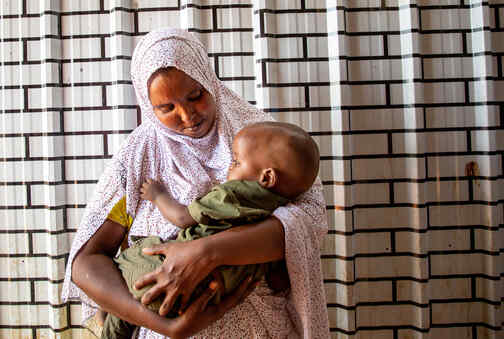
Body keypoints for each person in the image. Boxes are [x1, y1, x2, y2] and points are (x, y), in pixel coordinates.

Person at [62, 28, 329, 339]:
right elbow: (86, 263)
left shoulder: (260, 136)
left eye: (196, 96)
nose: (187, 114)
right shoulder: (138, 160)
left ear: (208, 78)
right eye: (167, 108)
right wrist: (163, 324)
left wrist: (207, 252)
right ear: (148, 107)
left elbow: (307, 220)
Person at [101, 120, 321, 339]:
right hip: (208, 297)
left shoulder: (232, 195)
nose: (228, 167)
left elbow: (183, 217)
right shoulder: (280, 215)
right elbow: (279, 280)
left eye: (236, 162)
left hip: (165, 278)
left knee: (131, 259)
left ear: (266, 177)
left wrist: (158, 196)